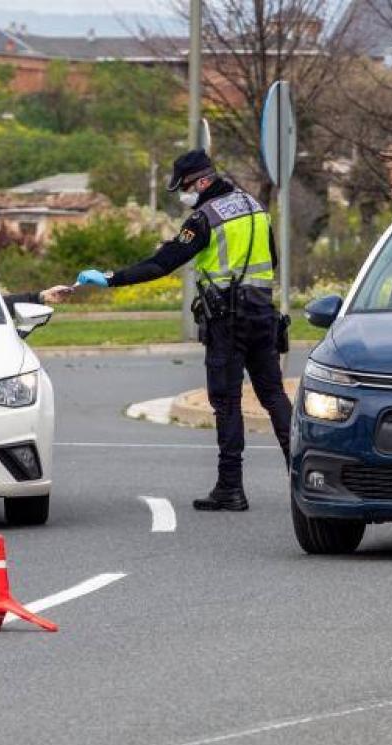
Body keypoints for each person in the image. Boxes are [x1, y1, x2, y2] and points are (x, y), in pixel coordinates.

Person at [73, 149, 293, 512]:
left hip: (229, 319)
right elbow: (273, 258)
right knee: (273, 396)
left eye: (185, 188)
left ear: (203, 181)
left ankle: (230, 487)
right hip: (263, 314)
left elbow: (162, 263)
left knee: (226, 402)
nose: (184, 196)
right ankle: (300, 478)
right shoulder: (254, 206)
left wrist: (111, 279)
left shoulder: (205, 218)